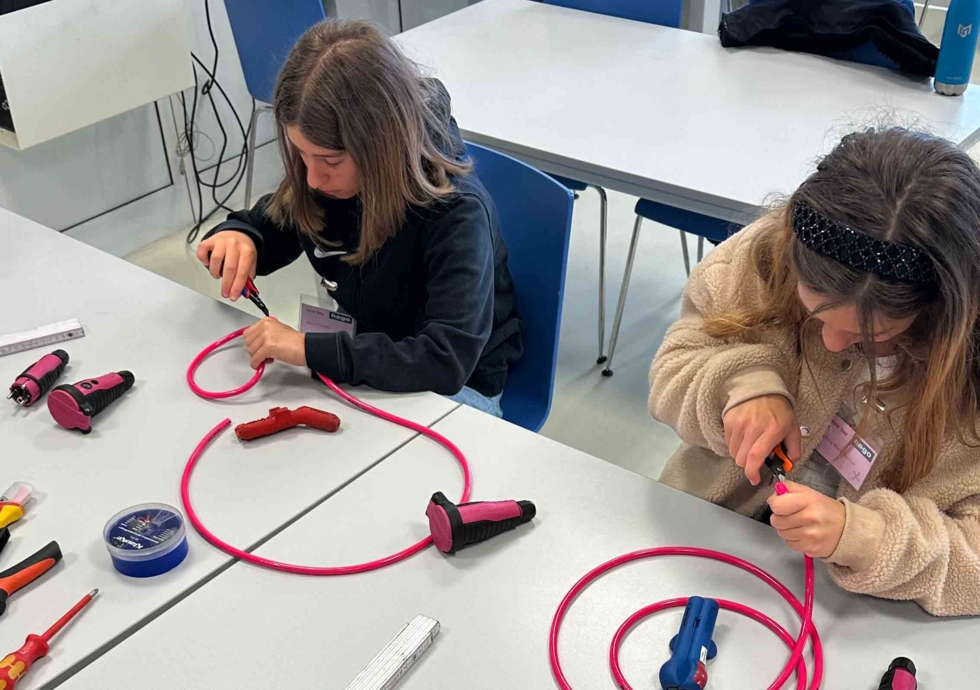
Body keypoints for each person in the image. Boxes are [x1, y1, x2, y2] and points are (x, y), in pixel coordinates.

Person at [649, 128, 980, 616]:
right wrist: (740, 385)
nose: (829, 343)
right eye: (816, 316)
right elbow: (675, 364)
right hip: (708, 540)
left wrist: (866, 539)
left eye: (870, 336)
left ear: (941, 311)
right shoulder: (769, 251)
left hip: (859, 611)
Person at [196, 21, 522, 417]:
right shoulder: (334, 182)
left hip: (455, 390)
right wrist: (242, 235)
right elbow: (273, 222)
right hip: (369, 358)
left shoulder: (457, 214)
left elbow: (444, 361)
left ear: (381, 143)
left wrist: (305, 348)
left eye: (330, 160)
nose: (313, 177)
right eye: (302, 155)